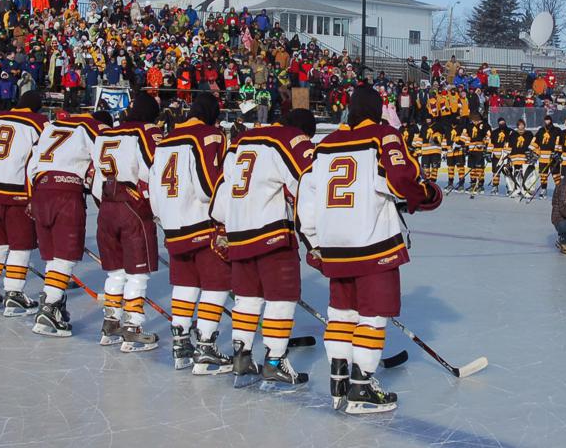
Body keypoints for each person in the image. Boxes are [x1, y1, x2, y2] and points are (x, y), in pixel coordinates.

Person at [297, 86, 442, 414]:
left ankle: (338, 381)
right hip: (374, 244)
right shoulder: (383, 135)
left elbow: (306, 198)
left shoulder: (324, 145)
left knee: (341, 314)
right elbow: (401, 179)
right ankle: (362, 386)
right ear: (377, 111)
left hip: (334, 247)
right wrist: (427, 194)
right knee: (373, 315)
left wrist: (315, 244)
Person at [209, 108, 315, 389]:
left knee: (247, 298)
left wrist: (223, 227)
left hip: (238, 233)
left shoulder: (239, 142)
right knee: (282, 296)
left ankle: (241, 356)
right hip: (272, 233)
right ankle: (274, 361)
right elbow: (309, 184)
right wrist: (314, 236)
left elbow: (222, 191)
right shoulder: (289, 139)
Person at [148, 93, 232, 374]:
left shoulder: (165, 140)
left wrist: (164, 216)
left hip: (173, 225)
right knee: (216, 283)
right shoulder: (209, 135)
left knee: (185, 283)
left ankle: (180, 341)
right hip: (201, 222)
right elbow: (208, 187)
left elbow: (154, 187)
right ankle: (206, 345)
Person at [90, 92, 162, 352]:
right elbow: (151, 171)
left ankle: (111, 322)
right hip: (132, 205)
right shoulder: (146, 132)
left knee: (116, 271)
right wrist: (156, 209)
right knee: (137, 272)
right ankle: (133, 326)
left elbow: (95, 176)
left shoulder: (106, 134)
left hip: (106, 204)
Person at [26, 109, 108, 337]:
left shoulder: (51, 126)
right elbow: (102, 164)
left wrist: (32, 196)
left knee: (53, 255)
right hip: (66, 192)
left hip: (41, 189)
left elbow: (31, 163)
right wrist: (103, 199)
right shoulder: (93, 128)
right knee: (65, 255)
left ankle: (54, 299)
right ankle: (50, 307)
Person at [0, 91, 47, 315]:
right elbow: (38, 159)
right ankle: (14, 293)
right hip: (16, 192)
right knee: (20, 245)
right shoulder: (38, 123)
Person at [533, 115, 562, 199]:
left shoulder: (557, 130)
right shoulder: (541, 130)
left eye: (548, 120)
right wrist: (534, 152)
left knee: (556, 175)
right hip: (543, 157)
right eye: (546, 120)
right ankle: (543, 189)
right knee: (543, 175)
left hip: (553, 156)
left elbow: (560, 141)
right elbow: (536, 142)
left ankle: (559, 190)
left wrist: (558, 153)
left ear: (551, 121)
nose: (547, 122)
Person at [462, 112, 490, 195]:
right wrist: (465, 147)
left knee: (479, 168)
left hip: (480, 149)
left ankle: (480, 184)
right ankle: (473, 183)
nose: (475, 121)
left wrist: (486, 147)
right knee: (472, 167)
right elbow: (465, 136)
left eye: (477, 120)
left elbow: (488, 136)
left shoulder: (485, 125)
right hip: (471, 150)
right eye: (474, 120)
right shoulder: (469, 126)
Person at [489, 117, 511, 194]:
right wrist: (489, 152)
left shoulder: (510, 132)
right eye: (500, 123)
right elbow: (491, 143)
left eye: (503, 122)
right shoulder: (494, 132)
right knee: (495, 172)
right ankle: (495, 187)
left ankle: (510, 187)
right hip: (496, 156)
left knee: (507, 172)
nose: (502, 124)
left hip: (506, 156)